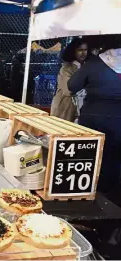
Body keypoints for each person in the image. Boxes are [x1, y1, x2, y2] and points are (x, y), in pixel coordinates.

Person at [68, 36, 121, 196]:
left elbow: (72, 85)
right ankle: (111, 197)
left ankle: (88, 193)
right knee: (114, 160)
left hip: (94, 117)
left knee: (89, 157)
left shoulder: (95, 63)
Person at [51, 38, 88, 122]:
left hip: (77, 108)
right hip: (64, 108)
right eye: (80, 50)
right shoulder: (66, 68)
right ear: (73, 51)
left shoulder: (85, 66)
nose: (83, 53)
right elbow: (68, 90)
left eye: (85, 50)